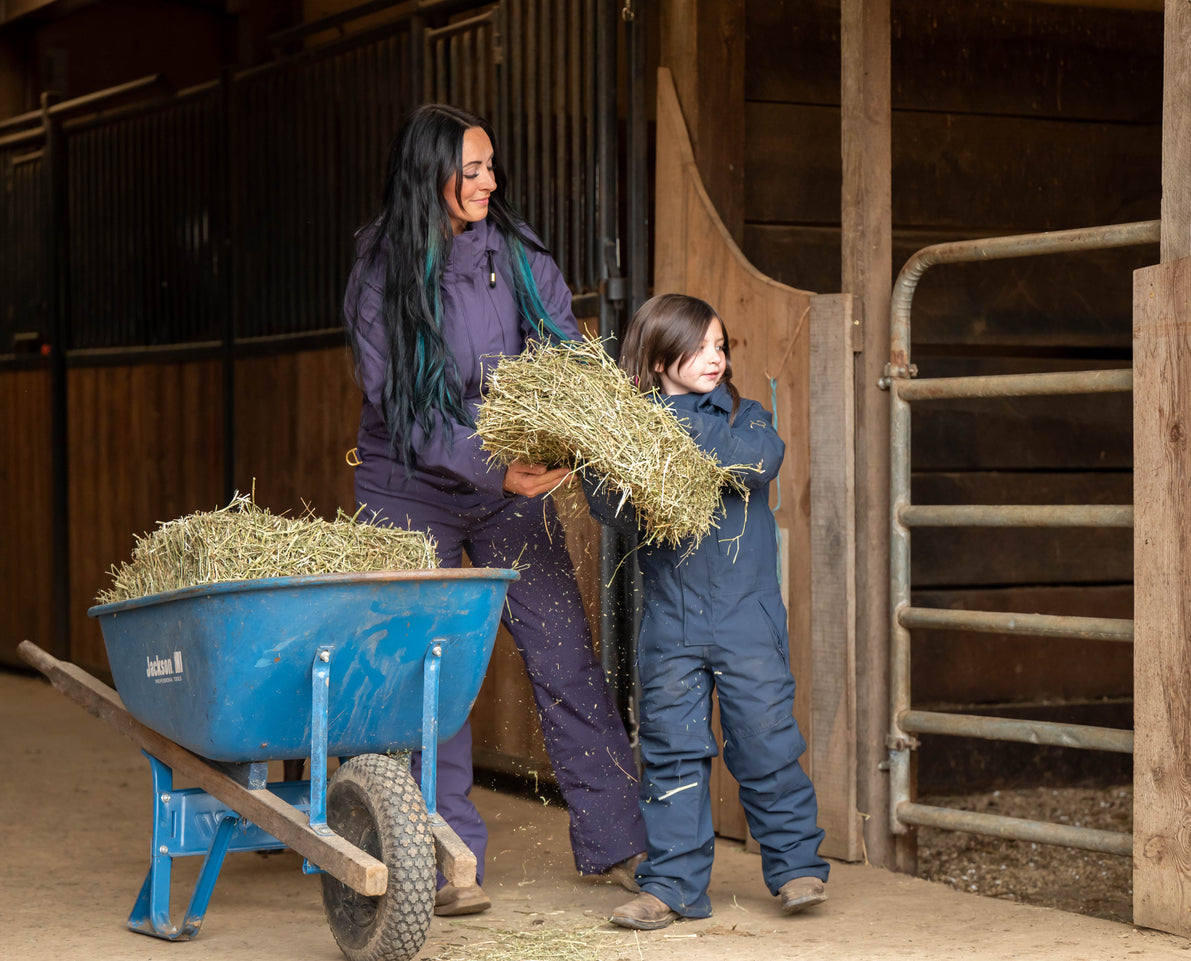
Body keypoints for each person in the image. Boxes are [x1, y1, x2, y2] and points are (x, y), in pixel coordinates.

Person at [342, 103, 645, 916]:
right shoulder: (381, 270)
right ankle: (446, 858)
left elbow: (559, 352)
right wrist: (491, 466)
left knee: (562, 651)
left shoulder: (513, 253)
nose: (488, 182)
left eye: (489, 166)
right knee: (428, 670)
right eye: (470, 170)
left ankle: (620, 842)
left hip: (508, 489)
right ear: (428, 176)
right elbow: (402, 407)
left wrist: (575, 429)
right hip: (411, 488)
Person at [584, 293, 830, 930]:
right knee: (671, 751)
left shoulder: (745, 417)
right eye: (696, 348)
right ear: (657, 357)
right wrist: (605, 449)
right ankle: (672, 887)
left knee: (765, 740)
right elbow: (610, 510)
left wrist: (671, 427)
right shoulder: (630, 432)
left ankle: (796, 866)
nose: (713, 357)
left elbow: (758, 462)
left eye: (719, 346)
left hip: (747, 619)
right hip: (672, 621)